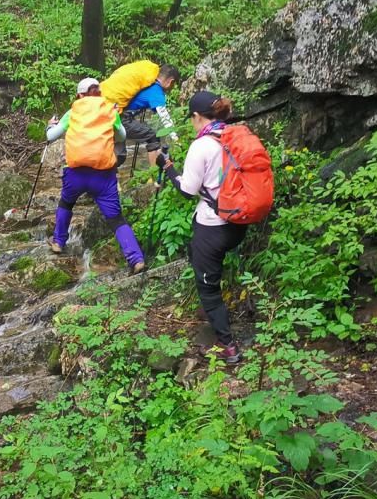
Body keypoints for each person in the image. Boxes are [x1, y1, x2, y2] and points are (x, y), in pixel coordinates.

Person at [156, 91, 245, 364]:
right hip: (239, 221)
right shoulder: (236, 135)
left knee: (207, 286)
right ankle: (215, 309)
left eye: (192, 118)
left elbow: (187, 191)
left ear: (197, 116)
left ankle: (227, 346)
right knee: (201, 259)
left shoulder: (202, 145)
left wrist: (168, 167)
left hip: (213, 226)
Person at [45, 77, 146, 273]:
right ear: (99, 93)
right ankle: (136, 259)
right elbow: (122, 136)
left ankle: (58, 242)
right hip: (103, 175)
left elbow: (51, 136)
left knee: (66, 203)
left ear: (79, 95)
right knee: (116, 219)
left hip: (76, 173)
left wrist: (50, 125)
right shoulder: (109, 109)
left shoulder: (73, 110)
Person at [100, 60, 181, 168]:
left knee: (118, 154)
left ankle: (107, 177)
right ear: (170, 82)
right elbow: (165, 118)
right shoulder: (156, 92)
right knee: (152, 136)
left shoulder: (146, 82)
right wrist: (176, 139)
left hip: (109, 112)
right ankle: (154, 175)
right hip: (120, 118)